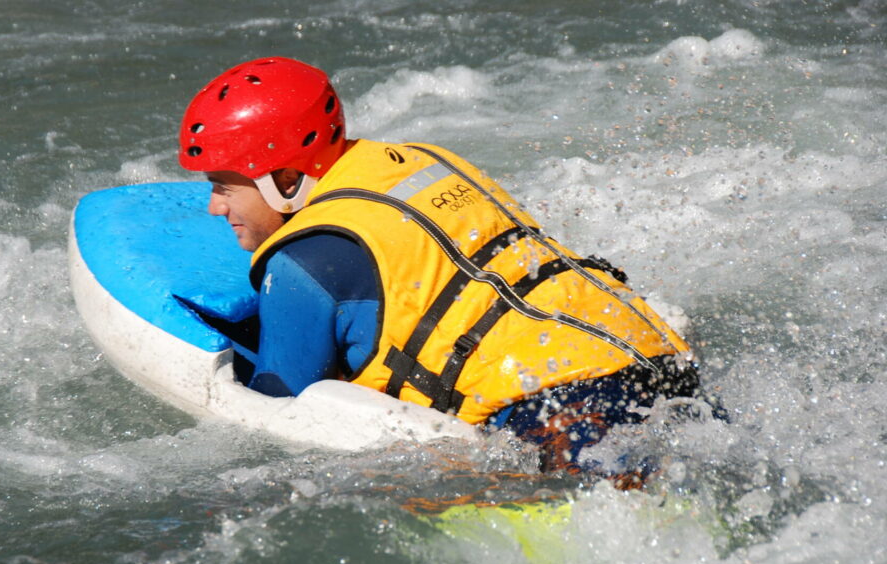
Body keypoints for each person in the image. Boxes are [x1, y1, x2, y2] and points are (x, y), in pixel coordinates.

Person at [178, 56, 712, 483]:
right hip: (659, 365)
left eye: (224, 186)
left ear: (286, 180)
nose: (215, 207)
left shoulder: (300, 264)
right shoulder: (425, 159)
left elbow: (276, 416)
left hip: (555, 421)